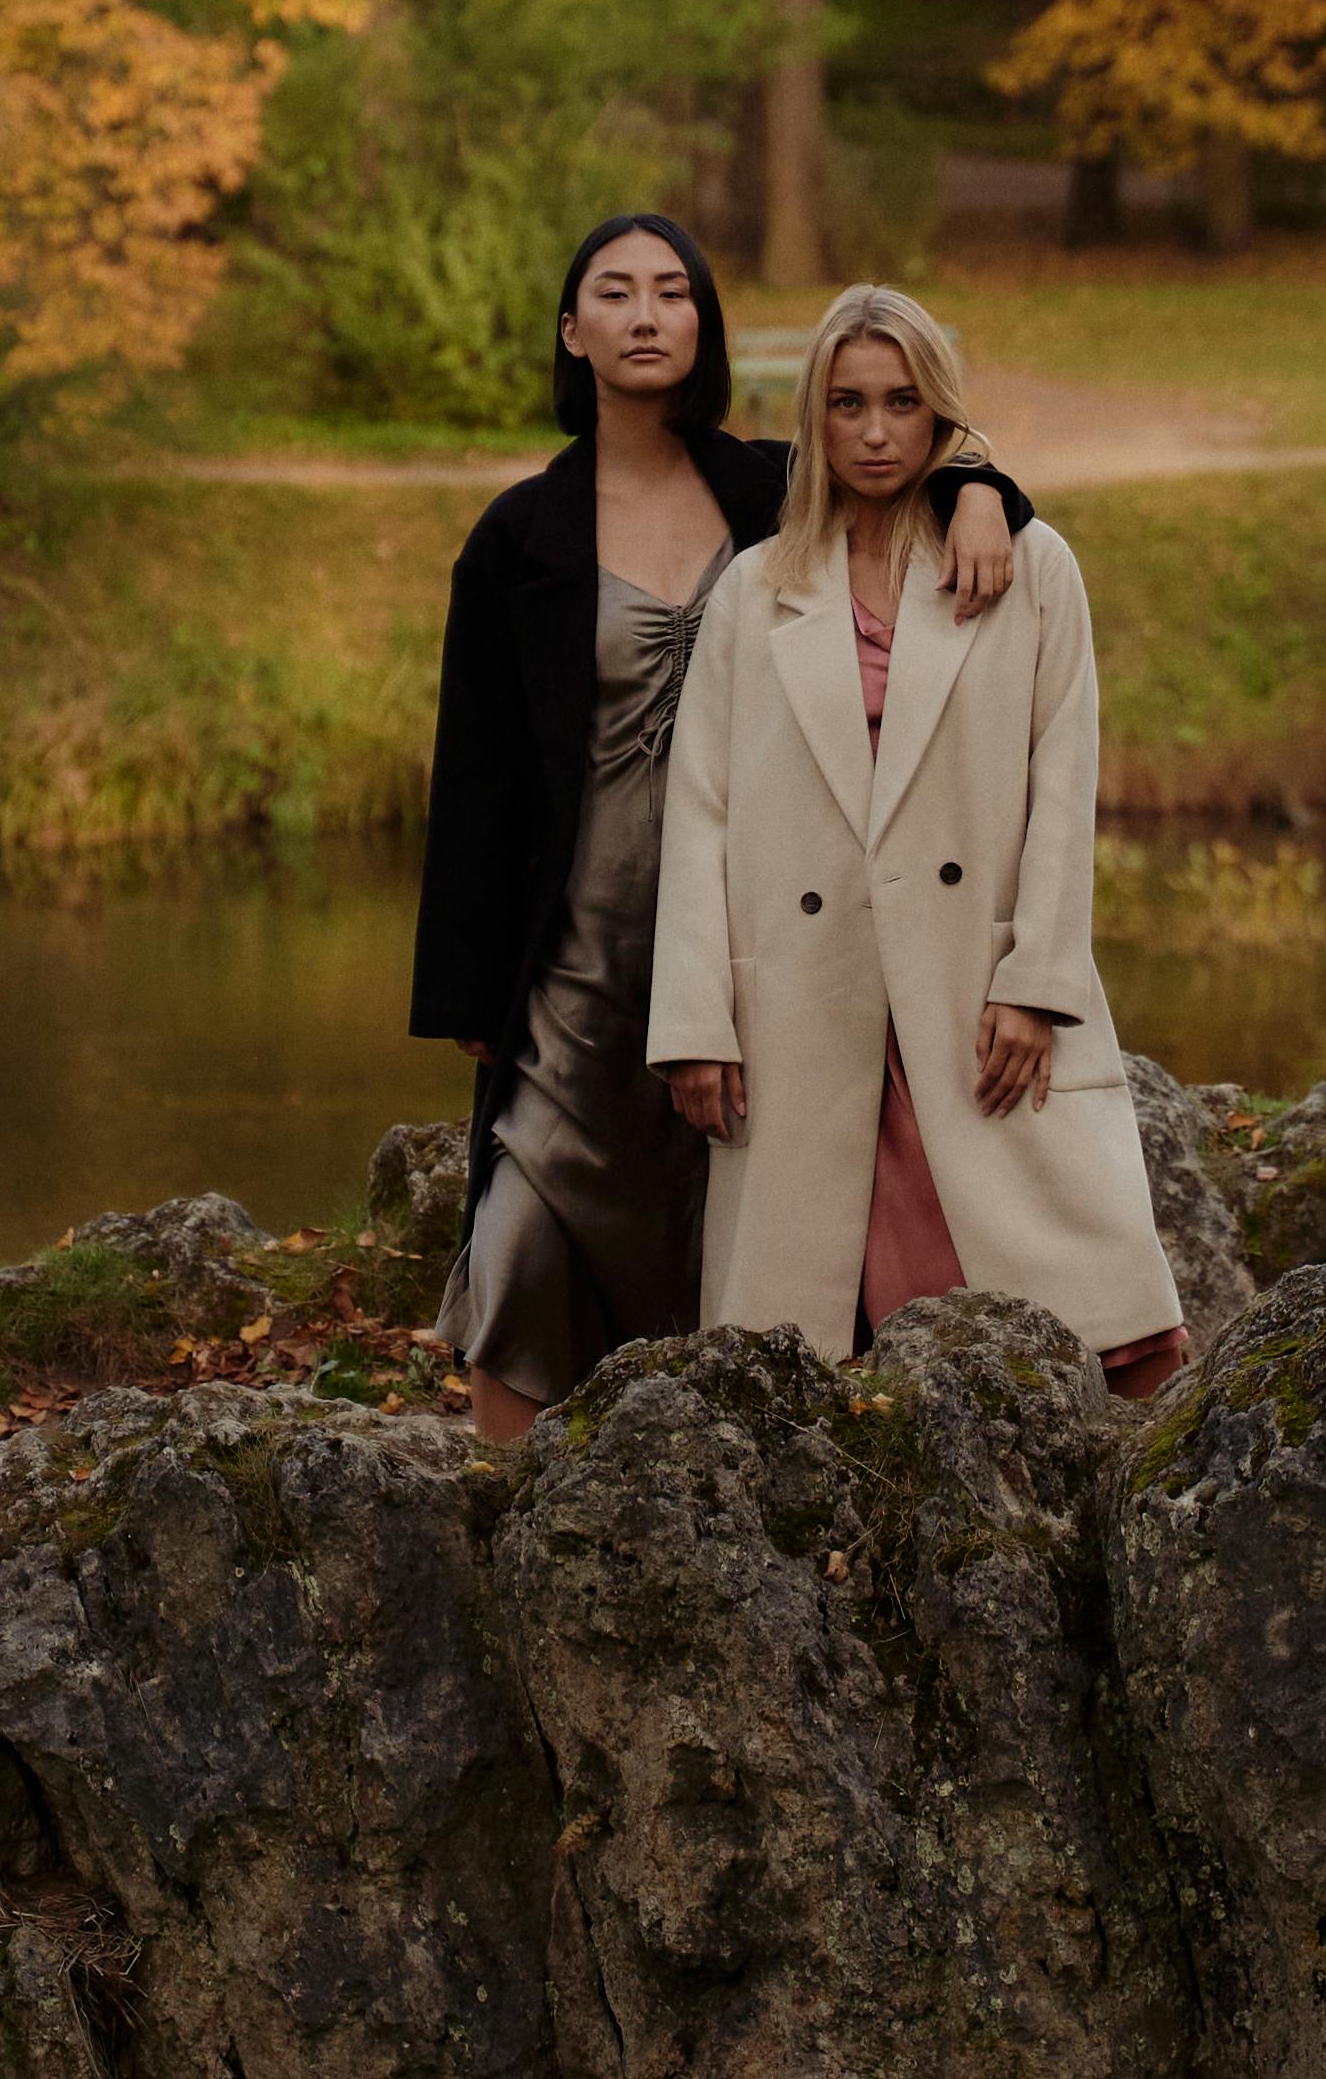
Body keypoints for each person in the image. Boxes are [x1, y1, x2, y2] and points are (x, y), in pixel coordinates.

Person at [409, 215, 1033, 1444]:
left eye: (671, 292)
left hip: (761, 930)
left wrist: (982, 491)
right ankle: (499, 1522)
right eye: (614, 293)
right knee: (528, 1230)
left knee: (739, 1230)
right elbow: (475, 778)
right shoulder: (516, 537)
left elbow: (893, 454)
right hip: (574, 949)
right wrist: (470, 990)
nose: (645, 315)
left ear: (702, 324)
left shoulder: (766, 489)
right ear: (571, 330)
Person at [648, 282, 1184, 1394]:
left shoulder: (1029, 568)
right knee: (810, 1360)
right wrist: (694, 1016)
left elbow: (1060, 778)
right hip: (806, 993)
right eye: (846, 405)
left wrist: (1037, 980)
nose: (875, 431)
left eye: (901, 402)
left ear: (940, 412)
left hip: (969, 984)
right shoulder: (756, 592)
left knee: (1048, 1336)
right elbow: (697, 808)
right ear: (814, 417)